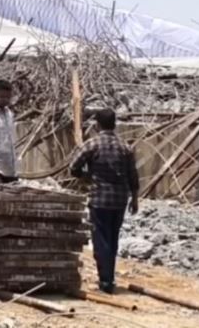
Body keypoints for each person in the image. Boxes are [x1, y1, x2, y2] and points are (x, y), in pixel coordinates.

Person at [69, 108, 140, 294]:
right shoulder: (125, 147)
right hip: (120, 200)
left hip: (99, 199)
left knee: (101, 240)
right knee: (113, 238)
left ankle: (105, 281)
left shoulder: (92, 144)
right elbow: (133, 176)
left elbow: (73, 167)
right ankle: (109, 278)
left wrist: (87, 177)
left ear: (97, 124)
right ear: (114, 124)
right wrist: (135, 200)